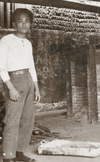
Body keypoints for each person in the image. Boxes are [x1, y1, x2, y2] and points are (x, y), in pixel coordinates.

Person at [0, 8, 40, 162]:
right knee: (12, 120)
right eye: (20, 21)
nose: (24, 24)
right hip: (14, 80)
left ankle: (19, 152)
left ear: (30, 24)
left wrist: (36, 87)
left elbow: (31, 66)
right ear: (14, 23)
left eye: (27, 21)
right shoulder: (6, 40)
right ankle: (8, 156)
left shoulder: (28, 43)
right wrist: (10, 87)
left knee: (27, 120)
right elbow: (1, 66)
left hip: (28, 80)